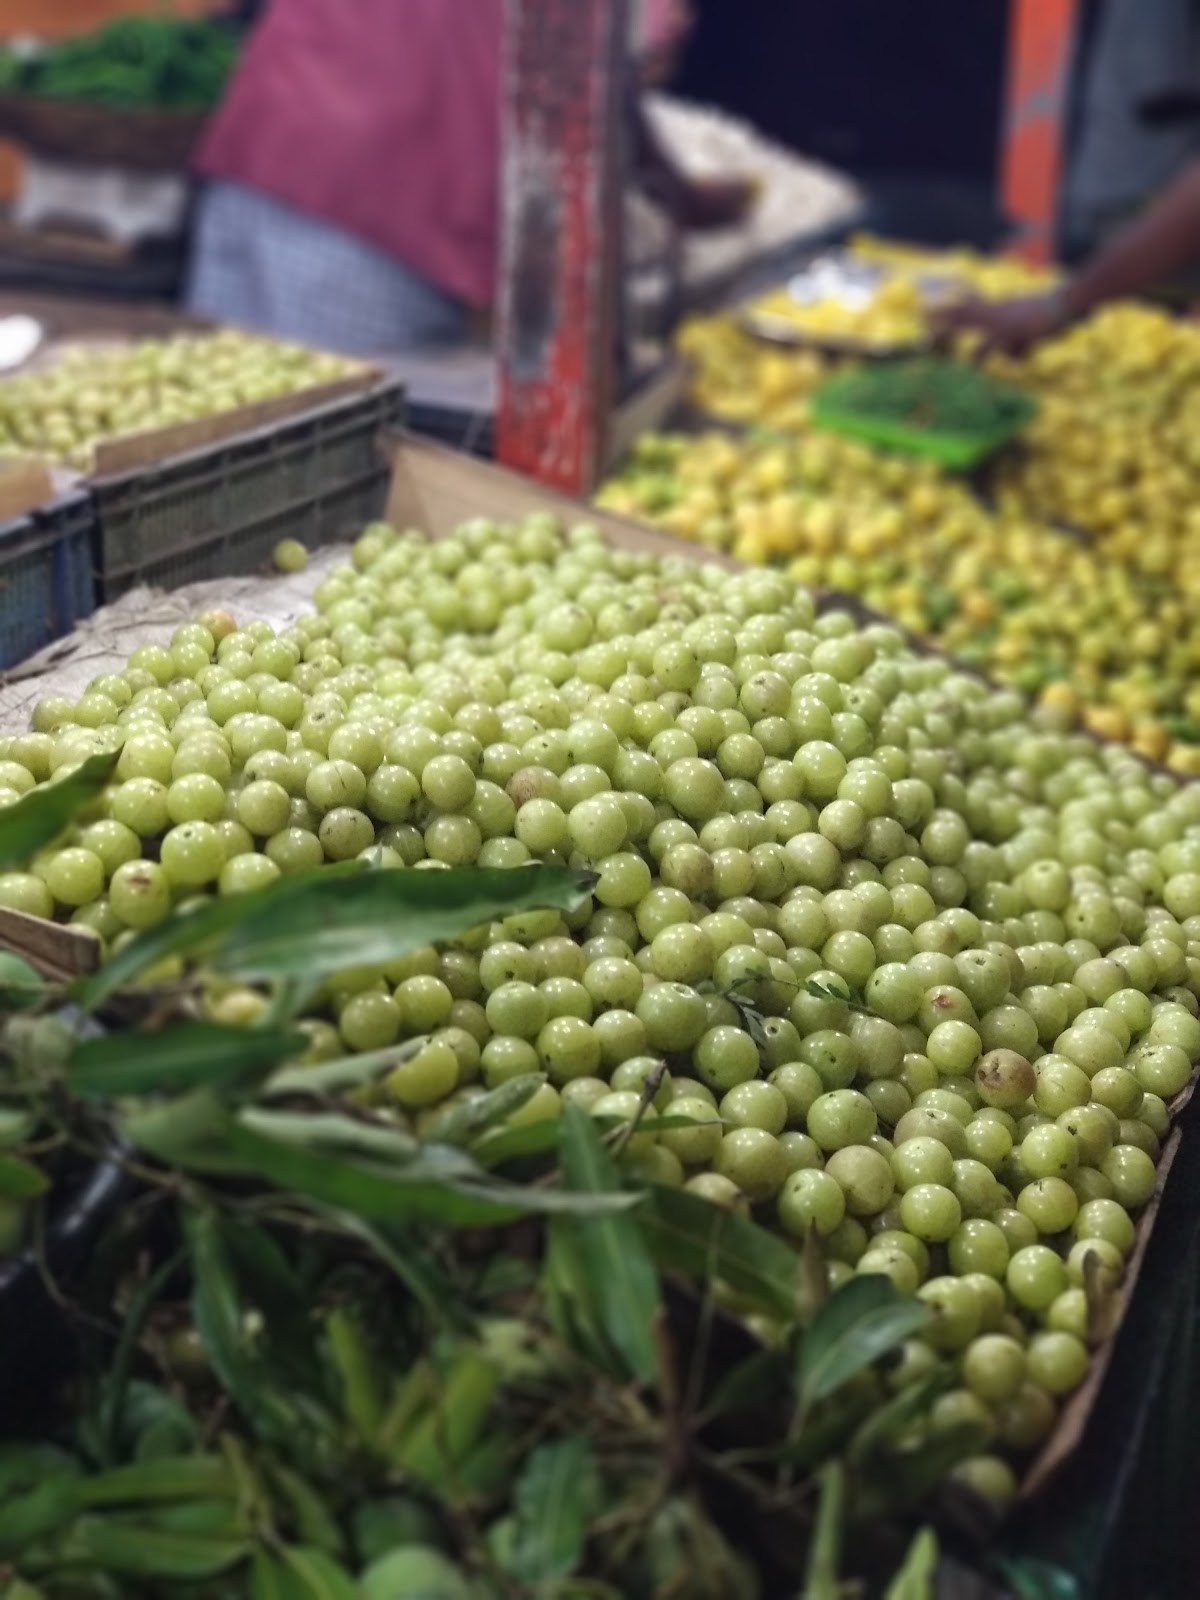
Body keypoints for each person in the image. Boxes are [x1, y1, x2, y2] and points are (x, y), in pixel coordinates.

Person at [188, 0, 753, 356]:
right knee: (313, 458)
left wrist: (677, 194)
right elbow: (608, 68)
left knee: (205, 434)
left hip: (267, 149)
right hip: (371, 214)